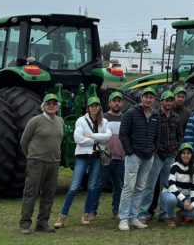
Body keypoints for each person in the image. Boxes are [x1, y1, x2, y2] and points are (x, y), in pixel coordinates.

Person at [55, 96, 112, 228]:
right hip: (83, 157)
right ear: (88, 107)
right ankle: (62, 216)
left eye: (96, 105)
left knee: (92, 187)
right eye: (92, 105)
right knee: (74, 186)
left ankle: (86, 214)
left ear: (99, 107)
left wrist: (92, 136)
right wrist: (98, 139)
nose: (94, 108)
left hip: (97, 157)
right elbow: (78, 139)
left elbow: (108, 136)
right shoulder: (81, 120)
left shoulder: (104, 122)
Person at [19, 93, 64, 235]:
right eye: (48, 103)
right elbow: (24, 141)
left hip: (54, 163)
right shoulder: (35, 121)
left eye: (54, 103)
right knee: (31, 193)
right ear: (43, 106)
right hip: (37, 163)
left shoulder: (60, 121)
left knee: (49, 195)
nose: (51, 105)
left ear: (57, 106)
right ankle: (25, 224)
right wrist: (32, 157)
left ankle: (42, 223)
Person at [118, 87, 159, 231]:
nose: (148, 99)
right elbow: (123, 134)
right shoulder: (131, 113)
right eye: (146, 96)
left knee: (140, 188)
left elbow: (156, 135)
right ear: (141, 98)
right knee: (128, 187)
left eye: (151, 97)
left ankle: (133, 217)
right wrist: (130, 152)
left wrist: (153, 150)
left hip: (149, 157)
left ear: (154, 100)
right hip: (134, 156)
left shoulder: (155, 115)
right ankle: (123, 218)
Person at [139, 89, 183, 223]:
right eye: (166, 100)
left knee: (166, 186)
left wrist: (175, 152)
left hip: (170, 156)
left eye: (171, 100)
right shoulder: (155, 115)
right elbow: (150, 135)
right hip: (157, 155)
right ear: (161, 101)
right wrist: (154, 150)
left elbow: (180, 136)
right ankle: (143, 213)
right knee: (150, 185)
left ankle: (163, 213)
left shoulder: (176, 117)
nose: (169, 103)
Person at [161, 142, 194, 228]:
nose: (186, 155)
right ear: (180, 154)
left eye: (188, 153)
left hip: (186, 198)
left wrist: (193, 204)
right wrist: (184, 200)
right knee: (171, 199)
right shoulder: (174, 166)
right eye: (183, 153)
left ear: (192, 155)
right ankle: (170, 218)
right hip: (170, 194)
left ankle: (181, 214)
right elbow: (171, 186)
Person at [100, 91, 126, 218]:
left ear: (122, 103)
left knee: (119, 186)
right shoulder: (103, 119)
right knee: (97, 185)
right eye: (114, 101)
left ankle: (117, 211)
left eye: (119, 101)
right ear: (109, 103)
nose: (116, 103)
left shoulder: (126, 118)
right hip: (105, 158)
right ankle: (91, 212)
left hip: (121, 158)